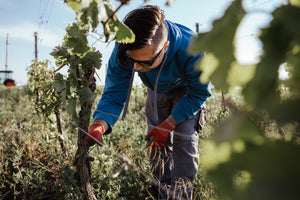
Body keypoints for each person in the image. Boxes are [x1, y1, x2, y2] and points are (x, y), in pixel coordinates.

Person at [87, 5, 211, 200]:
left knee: (184, 140)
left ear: (165, 48)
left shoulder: (192, 49)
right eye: (133, 60)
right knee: (156, 142)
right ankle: (162, 191)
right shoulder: (125, 49)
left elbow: (199, 93)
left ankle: (181, 195)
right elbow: (114, 93)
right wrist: (99, 124)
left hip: (188, 91)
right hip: (156, 89)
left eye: (145, 63)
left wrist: (169, 124)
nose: (135, 68)